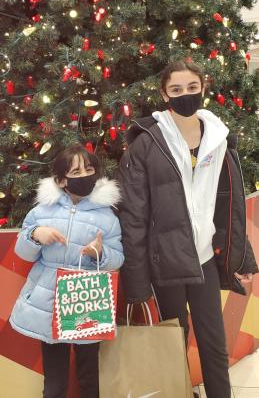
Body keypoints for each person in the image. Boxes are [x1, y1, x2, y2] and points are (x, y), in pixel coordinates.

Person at [117, 60, 258, 398]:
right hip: (163, 265)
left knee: (213, 342)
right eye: (176, 89)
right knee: (172, 342)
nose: (185, 95)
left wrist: (243, 259)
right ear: (164, 93)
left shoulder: (220, 139)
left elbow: (232, 206)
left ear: (202, 89)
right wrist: (137, 284)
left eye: (192, 88)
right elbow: (132, 218)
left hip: (203, 258)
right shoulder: (146, 144)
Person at [10, 144, 124, 398]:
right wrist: (35, 235)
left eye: (89, 169)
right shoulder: (41, 211)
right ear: (61, 181)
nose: (84, 176)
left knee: (89, 372)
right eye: (76, 172)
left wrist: (100, 253)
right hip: (49, 299)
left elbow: (117, 257)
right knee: (55, 376)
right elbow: (23, 252)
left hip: (88, 296)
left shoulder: (108, 217)